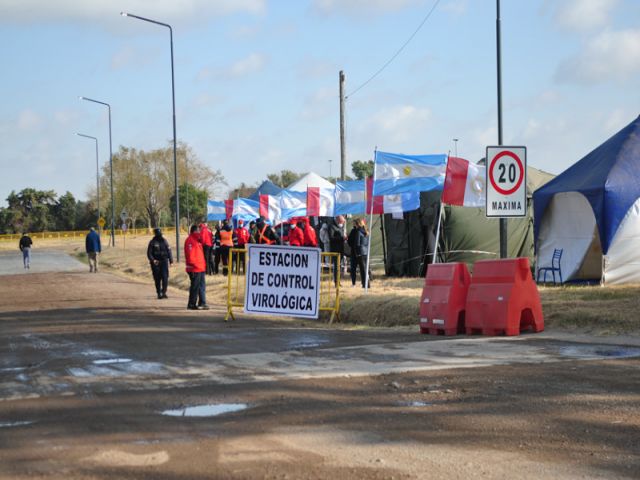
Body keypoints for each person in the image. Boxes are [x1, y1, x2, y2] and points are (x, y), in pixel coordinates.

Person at [184, 224, 209, 310]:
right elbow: (190, 256)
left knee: (201, 286)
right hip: (195, 268)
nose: (199, 232)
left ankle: (202, 302)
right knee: (195, 287)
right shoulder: (190, 241)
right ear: (194, 231)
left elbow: (205, 240)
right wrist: (195, 264)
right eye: (198, 231)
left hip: (200, 267)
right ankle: (191, 304)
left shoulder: (197, 241)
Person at [147, 228, 173, 299]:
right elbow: (149, 253)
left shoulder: (164, 241)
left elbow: (169, 251)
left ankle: (163, 292)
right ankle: (159, 293)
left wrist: (171, 261)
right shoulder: (152, 242)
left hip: (164, 262)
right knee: (157, 279)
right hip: (156, 263)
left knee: (165, 278)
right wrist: (153, 260)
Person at [328, 216, 347, 285]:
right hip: (335, 250)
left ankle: (338, 281)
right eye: (341, 222)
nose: (342, 224)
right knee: (336, 266)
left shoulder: (341, 227)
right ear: (338, 220)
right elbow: (331, 238)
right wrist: (342, 238)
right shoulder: (331, 226)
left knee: (339, 266)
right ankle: (336, 281)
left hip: (341, 249)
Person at [354, 218, 372, 288]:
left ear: (358, 224)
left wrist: (356, 252)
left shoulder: (358, 232)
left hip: (360, 253)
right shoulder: (366, 231)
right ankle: (367, 284)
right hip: (366, 252)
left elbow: (357, 244)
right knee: (366, 269)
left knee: (363, 270)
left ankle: (365, 284)